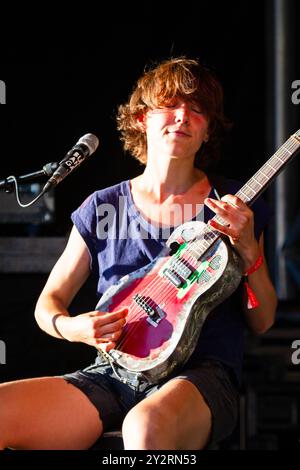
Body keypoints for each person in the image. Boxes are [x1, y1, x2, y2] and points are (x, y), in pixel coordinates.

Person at [0, 57, 278, 450]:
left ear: (206, 133)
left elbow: (263, 320)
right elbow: (48, 304)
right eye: (171, 105)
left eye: (197, 111)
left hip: (200, 377)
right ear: (141, 119)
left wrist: (250, 252)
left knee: (144, 429)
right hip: (112, 373)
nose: (183, 117)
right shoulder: (102, 206)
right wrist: (73, 328)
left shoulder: (231, 206)